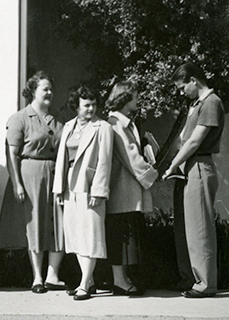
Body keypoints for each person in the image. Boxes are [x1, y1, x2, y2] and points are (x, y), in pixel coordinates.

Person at [0, 71, 66, 293]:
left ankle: (52, 275)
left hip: (54, 176)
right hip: (30, 176)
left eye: (51, 89)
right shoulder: (19, 118)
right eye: (45, 88)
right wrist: (17, 183)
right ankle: (37, 277)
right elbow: (12, 154)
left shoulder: (57, 123)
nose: (49, 93)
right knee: (34, 226)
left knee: (57, 224)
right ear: (32, 91)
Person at [163, 62, 225, 298]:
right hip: (189, 166)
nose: (181, 92)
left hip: (199, 164)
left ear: (194, 80)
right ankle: (190, 278)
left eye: (182, 87)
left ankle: (206, 283)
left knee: (200, 227)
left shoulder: (211, 102)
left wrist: (172, 164)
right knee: (186, 226)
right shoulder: (196, 104)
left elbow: (194, 142)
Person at [52, 86, 113, 301]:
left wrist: (98, 190)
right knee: (75, 235)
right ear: (76, 106)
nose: (91, 108)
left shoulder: (103, 128)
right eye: (86, 105)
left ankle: (85, 282)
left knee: (90, 235)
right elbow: (61, 160)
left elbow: (105, 161)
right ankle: (89, 280)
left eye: (94, 104)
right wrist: (58, 189)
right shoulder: (68, 126)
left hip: (89, 187)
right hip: (70, 186)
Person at [105, 81, 158, 296]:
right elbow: (131, 157)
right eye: (135, 96)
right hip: (121, 189)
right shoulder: (116, 124)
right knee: (119, 236)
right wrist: (153, 172)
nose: (138, 100)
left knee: (124, 236)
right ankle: (120, 281)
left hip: (126, 189)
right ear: (125, 98)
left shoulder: (125, 123)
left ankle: (124, 280)